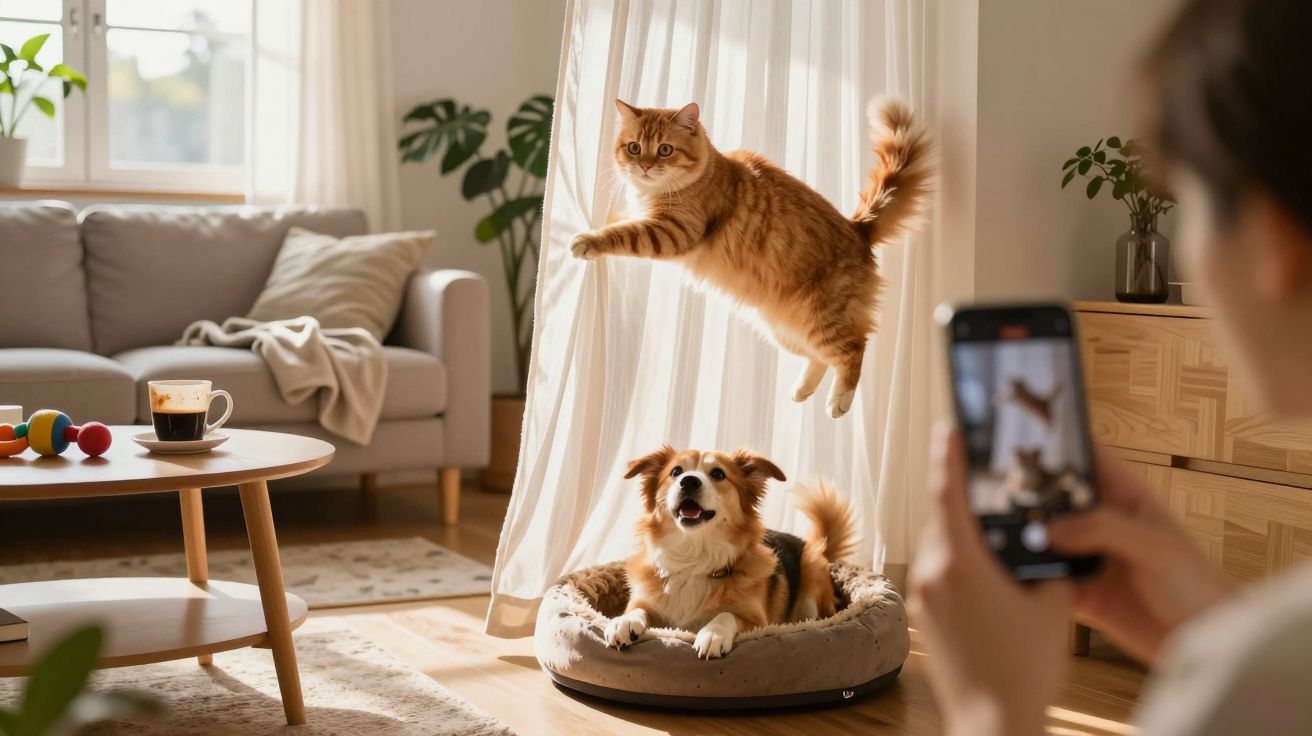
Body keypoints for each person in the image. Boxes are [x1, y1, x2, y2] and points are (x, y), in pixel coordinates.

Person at [910, 0, 1312, 733]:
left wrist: (991, 710)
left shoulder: (1260, 678)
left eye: (1183, 199)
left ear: (1275, 242)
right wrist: (1218, 631)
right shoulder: (1272, 664)